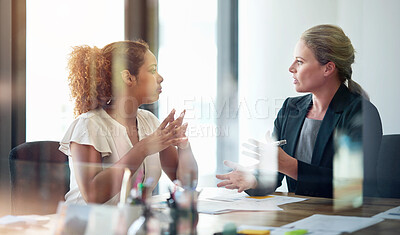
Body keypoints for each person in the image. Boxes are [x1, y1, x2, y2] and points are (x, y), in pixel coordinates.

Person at [216, 24, 381, 198]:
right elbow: (275, 174)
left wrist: (290, 166)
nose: (291, 68)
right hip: (299, 215)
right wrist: (254, 180)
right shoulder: (290, 109)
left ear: (328, 68)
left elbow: (351, 185)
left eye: (300, 61)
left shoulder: (361, 113)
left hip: (348, 218)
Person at [59, 40, 198, 204]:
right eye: (152, 70)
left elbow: (186, 184)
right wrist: (143, 148)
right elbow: (93, 195)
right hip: (87, 225)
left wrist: (183, 146)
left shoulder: (149, 121)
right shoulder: (88, 125)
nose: (160, 78)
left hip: (132, 224)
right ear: (128, 77)